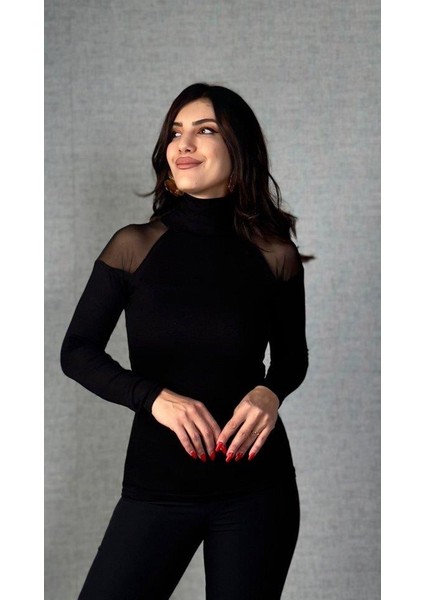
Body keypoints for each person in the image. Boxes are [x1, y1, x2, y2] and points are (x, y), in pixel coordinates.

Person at [61, 82, 309, 600]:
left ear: (238, 150)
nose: (184, 144)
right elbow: (77, 351)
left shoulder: (274, 254)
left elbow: (292, 357)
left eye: (205, 130)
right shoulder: (134, 246)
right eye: (175, 132)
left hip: (257, 491)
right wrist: (153, 398)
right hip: (157, 486)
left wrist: (270, 392)